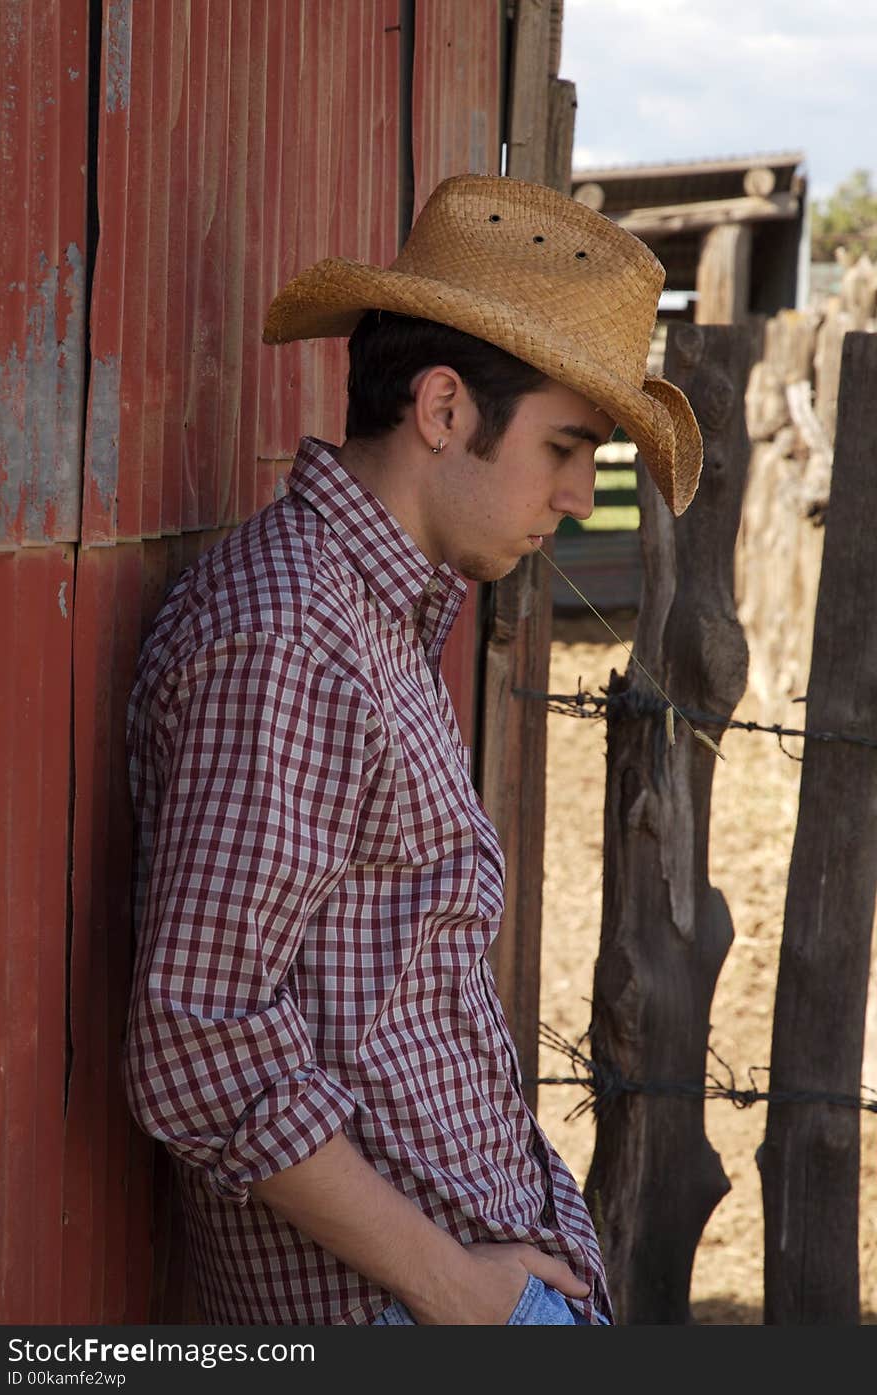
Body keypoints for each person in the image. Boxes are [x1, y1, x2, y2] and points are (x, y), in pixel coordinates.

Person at [123, 173, 702, 1327]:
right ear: (443, 410)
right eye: (565, 447)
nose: (583, 495)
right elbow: (198, 1038)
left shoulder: (377, 616)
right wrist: (464, 1291)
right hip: (398, 1307)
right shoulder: (291, 635)